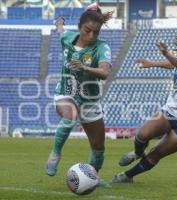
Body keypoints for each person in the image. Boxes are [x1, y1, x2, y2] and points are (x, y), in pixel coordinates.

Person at [112, 27, 177, 183]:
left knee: (156, 153)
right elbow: (174, 64)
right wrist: (152, 63)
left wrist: (167, 53)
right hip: (170, 112)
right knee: (142, 134)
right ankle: (137, 153)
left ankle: (127, 176)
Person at [45, 3, 113, 187]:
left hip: (90, 100)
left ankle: (92, 178)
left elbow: (105, 72)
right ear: (79, 27)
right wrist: (58, 23)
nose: (91, 36)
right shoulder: (68, 37)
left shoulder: (101, 48)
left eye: (96, 32)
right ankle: (55, 153)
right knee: (70, 115)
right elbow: (61, 31)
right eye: (87, 30)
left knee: (98, 147)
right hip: (65, 93)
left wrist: (84, 67)